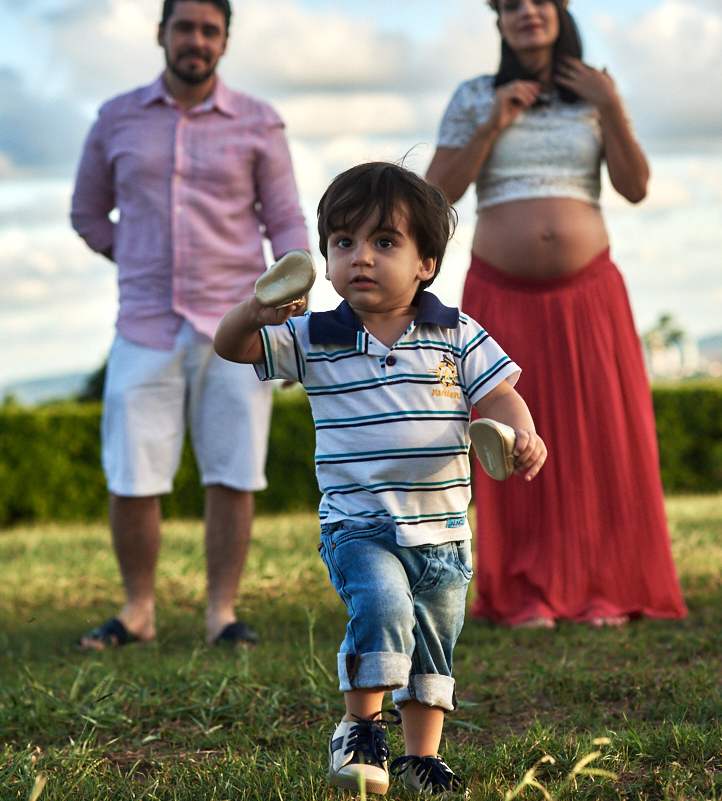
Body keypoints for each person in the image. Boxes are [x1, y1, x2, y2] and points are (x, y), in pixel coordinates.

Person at [214, 162, 547, 796]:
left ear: (426, 263)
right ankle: (360, 728)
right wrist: (255, 309)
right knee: (384, 607)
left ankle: (422, 756)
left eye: (384, 242)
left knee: (432, 646)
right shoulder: (314, 336)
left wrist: (522, 434)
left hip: (445, 532)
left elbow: (500, 397)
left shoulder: (455, 333)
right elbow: (231, 347)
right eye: (344, 243)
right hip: (359, 526)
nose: (360, 257)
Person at [425, 0, 687, 628]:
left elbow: (635, 186)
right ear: (498, 22)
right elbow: (434, 196)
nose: (526, 13)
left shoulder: (595, 92)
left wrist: (612, 105)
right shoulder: (473, 96)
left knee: (603, 438)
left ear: (560, 8)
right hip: (499, 293)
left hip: (588, 296)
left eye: (537, 0)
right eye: (510, 5)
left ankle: (607, 588)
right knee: (512, 436)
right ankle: (526, 592)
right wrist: (491, 123)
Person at [70, 0, 309, 649]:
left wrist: (292, 297)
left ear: (225, 41)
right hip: (143, 321)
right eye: (185, 27)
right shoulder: (115, 118)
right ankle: (138, 611)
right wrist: (136, 255)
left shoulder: (259, 121)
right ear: (161, 34)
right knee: (131, 472)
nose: (196, 40)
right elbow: (88, 213)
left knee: (233, 469)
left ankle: (221, 614)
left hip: (235, 322)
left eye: (210, 30)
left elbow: (285, 221)